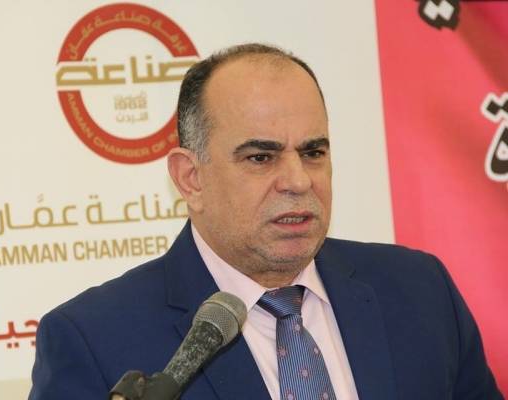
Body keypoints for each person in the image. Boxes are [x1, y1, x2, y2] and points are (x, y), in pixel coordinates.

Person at [29, 43, 503, 400]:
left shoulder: (420, 291)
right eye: (260, 157)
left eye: (313, 152)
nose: (298, 180)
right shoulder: (93, 339)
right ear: (191, 178)